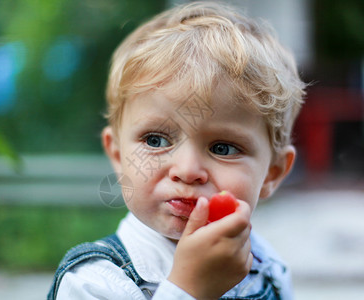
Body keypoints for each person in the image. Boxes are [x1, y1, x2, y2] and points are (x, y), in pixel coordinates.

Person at [48, 1, 306, 299]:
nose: (187, 170)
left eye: (223, 148)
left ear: (272, 173)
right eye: (155, 140)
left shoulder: (268, 268)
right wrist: (189, 290)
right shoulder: (93, 283)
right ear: (118, 156)